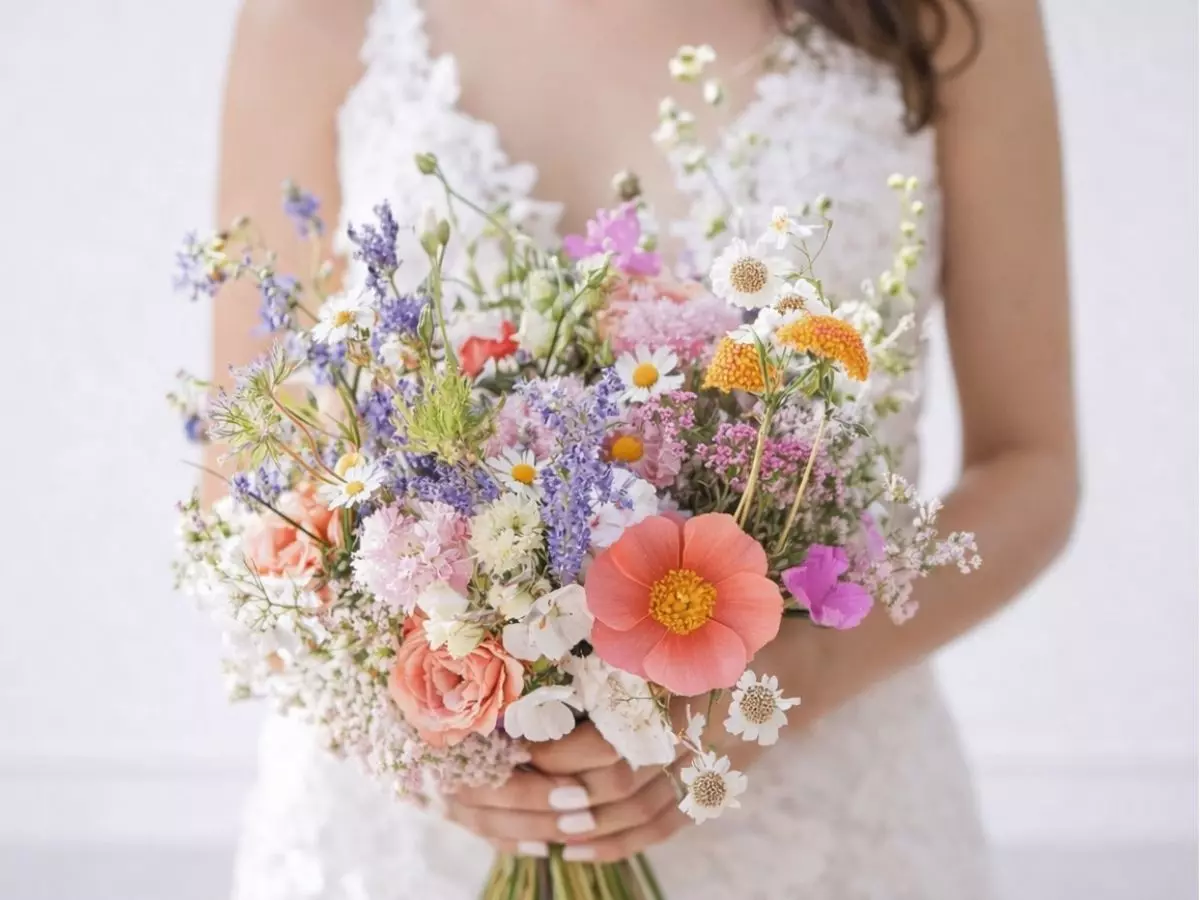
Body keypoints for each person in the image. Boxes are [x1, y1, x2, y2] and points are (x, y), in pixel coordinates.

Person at [210, 1, 1077, 896]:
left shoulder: (953, 15)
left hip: (821, 810)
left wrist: (796, 673)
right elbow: (247, 495)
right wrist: (422, 741)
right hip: (400, 841)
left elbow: (1031, 464)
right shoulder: (309, 17)